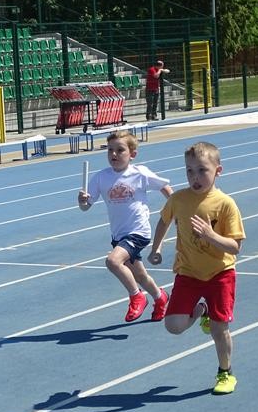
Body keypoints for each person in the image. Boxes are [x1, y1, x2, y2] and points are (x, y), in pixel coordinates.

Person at [148, 142, 246, 394]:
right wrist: (156, 248)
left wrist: (211, 236)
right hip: (188, 273)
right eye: (190, 171)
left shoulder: (225, 204)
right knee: (174, 326)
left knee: (219, 328)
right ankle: (201, 308)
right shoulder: (178, 199)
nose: (195, 177)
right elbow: (164, 220)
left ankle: (225, 373)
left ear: (218, 170)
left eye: (202, 170)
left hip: (220, 274)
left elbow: (235, 247)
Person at [78, 131, 173, 322]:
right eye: (110, 150)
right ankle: (160, 297)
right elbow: (86, 207)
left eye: (120, 150)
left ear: (132, 154)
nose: (114, 154)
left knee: (113, 261)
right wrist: (82, 201)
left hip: (138, 232)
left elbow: (164, 187)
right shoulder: (101, 177)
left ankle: (137, 297)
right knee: (140, 275)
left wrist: (177, 206)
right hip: (119, 235)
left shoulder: (139, 173)